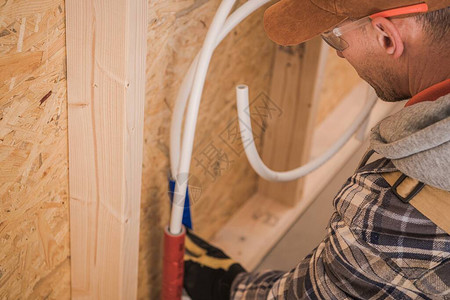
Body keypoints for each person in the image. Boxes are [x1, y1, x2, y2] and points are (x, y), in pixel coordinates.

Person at [183, 0, 450, 299]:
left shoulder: (392, 214)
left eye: (334, 36)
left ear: (387, 36)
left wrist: (225, 285)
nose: (339, 52)